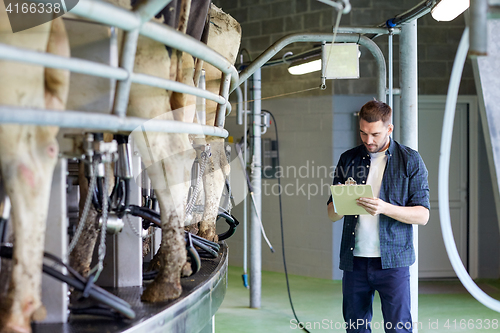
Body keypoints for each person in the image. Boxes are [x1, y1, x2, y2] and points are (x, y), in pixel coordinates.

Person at [327, 100, 430, 333]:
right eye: (363, 133)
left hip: (393, 263)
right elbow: (332, 214)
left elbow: (422, 215)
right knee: (355, 329)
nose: (368, 140)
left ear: (389, 129)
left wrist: (384, 207)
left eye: (375, 134)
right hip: (354, 261)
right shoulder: (348, 159)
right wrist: (345, 203)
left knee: (398, 329)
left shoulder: (410, 160)